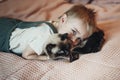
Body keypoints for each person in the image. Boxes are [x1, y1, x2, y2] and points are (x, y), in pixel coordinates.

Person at [0, 4, 98, 57]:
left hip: (13, 26)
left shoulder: (55, 25)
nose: (74, 41)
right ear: (63, 19)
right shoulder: (46, 36)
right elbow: (26, 54)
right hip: (4, 36)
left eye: (79, 39)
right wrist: (47, 58)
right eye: (74, 31)